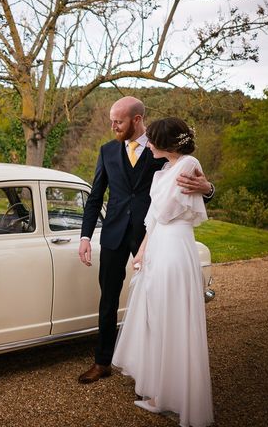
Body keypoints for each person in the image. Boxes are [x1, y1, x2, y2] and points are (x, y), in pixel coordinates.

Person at [77, 97, 213, 384]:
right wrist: (85, 236)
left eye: (119, 121)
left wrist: (209, 188)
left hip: (152, 236)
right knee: (108, 299)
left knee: (152, 299)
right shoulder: (107, 151)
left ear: (137, 119)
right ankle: (102, 362)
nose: (113, 126)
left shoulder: (162, 145)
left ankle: (152, 368)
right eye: (112, 120)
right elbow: (96, 196)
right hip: (114, 233)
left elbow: (196, 182)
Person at [112, 117, 213, 426]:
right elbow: (154, 220)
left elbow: (166, 212)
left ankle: (180, 397)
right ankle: (160, 393)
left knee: (172, 319)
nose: (149, 144)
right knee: (156, 318)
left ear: (168, 143)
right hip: (159, 246)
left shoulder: (188, 164)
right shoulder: (166, 169)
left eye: (153, 140)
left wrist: (207, 187)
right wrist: (142, 251)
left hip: (174, 249)